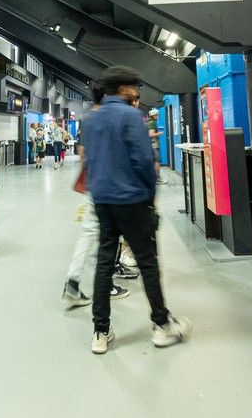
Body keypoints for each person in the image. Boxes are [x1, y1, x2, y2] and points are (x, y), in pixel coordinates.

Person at [85, 65, 191, 354]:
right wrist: (149, 196)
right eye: (135, 86)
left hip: (102, 199)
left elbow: (89, 159)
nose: (138, 91)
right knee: (147, 263)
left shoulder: (91, 119)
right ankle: (162, 326)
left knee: (104, 264)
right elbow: (144, 161)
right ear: (124, 89)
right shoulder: (131, 115)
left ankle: (100, 331)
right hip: (131, 200)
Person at [62, 86, 130, 309]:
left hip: (93, 184)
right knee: (107, 236)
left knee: (90, 233)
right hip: (110, 187)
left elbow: (82, 153)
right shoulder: (111, 119)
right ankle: (105, 283)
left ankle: (73, 283)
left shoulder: (88, 120)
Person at [148, 108, 167, 185]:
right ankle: (157, 179)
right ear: (154, 115)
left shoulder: (148, 122)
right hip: (153, 145)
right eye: (157, 115)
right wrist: (160, 133)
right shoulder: (152, 123)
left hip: (149, 144)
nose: (158, 116)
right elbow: (151, 134)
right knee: (156, 161)